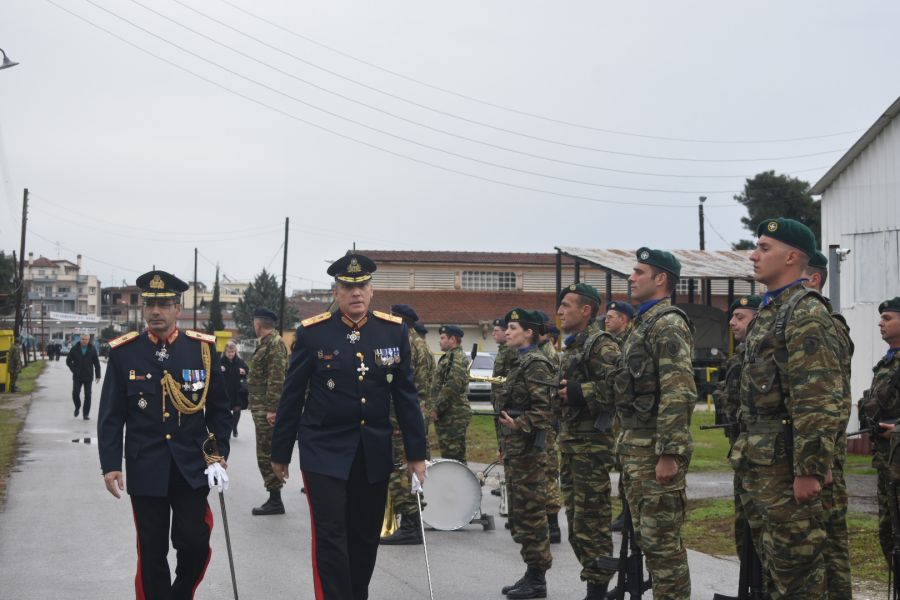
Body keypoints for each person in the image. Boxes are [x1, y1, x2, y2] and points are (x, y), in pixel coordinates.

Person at [271, 253, 427, 600]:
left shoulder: (393, 331)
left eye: (362, 286)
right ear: (336, 293)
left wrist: (417, 455)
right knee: (331, 535)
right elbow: (292, 396)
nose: (356, 293)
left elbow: (405, 396)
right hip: (323, 449)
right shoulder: (313, 334)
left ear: (371, 291)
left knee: (365, 536)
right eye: (347, 287)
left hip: (372, 451)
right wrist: (280, 453)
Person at [98, 270, 231, 600]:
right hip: (146, 466)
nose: (156, 311)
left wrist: (219, 452)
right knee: (152, 551)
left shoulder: (200, 350)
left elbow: (218, 409)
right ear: (143, 309)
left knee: (195, 541)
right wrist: (110, 464)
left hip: (190, 466)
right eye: (150, 305)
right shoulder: (125, 353)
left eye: (164, 304)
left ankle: (180, 593)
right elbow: (111, 415)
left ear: (177, 307)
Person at [731, 218, 843, 597]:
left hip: (785, 471)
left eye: (764, 248)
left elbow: (817, 400)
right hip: (761, 467)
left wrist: (809, 470)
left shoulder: (805, 313)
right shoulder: (770, 313)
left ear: (792, 257)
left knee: (798, 580)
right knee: (772, 574)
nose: (754, 254)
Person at [612, 247, 694, 600]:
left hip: (654, 451)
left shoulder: (668, 324)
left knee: (662, 547)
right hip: (636, 447)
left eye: (639, 272)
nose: (631, 278)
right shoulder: (643, 324)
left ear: (661, 279)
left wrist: (669, 453)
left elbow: (679, 390)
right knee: (648, 540)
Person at [556, 283, 621, 599]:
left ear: (586, 310)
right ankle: (595, 583)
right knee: (576, 522)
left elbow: (620, 388)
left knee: (591, 521)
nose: (560, 311)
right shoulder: (573, 346)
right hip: (571, 445)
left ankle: (598, 589)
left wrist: (581, 393)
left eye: (567, 305)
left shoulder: (602, 345)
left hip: (592, 447)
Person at [802, 250, 854, 598]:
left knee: (830, 542)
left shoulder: (827, 324)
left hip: (823, 453)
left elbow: (834, 396)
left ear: (814, 279)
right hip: (812, 449)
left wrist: (827, 456)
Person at [498, 308, 555, 599]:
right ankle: (531, 573)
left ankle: (538, 579)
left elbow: (545, 410)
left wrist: (518, 424)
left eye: (512, 327)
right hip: (517, 451)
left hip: (530, 453)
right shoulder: (519, 362)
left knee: (532, 516)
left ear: (529, 332)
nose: (507, 332)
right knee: (521, 517)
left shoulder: (536, 364)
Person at [714, 296, 762, 568]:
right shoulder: (739, 357)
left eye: (740, 317)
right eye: (732, 316)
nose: (732, 322)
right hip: (740, 453)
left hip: (761, 457)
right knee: (743, 529)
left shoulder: (762, 356)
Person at [380, 303, 433, 546]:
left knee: (401, 472)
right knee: (411, 471)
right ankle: (414, 521)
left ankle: (411, 526)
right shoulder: (422, 345)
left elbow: (391, 384)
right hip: (415, 416)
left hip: (399, 417)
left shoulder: (401, 344)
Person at [860, 296, 900, 568]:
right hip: (887, 465)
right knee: (889, 536)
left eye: (888, 318)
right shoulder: (887, 362)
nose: (880, 323)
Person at [248, 306, 289, 516]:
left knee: (266, 453)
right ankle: (274, 497)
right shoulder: (267, 343)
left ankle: (275, 499)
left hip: (267, 408)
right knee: (264, 452)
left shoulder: (274, 343)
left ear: (258, 324)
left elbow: (277, 378)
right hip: (260, 406)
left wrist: (273, 409)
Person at [604, 299, 634, 533]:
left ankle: (630, 513)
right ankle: (626, 512)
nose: (607, 319)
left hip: (630, 414)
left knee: (628, 464)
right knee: (621, 462)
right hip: (617, 413)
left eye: (611, 316)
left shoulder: (630, 342)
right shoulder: (613, 342)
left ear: (623, 319)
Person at [430, 324, 471, 463]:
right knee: (450, 457)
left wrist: (437, 408)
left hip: (454, 416)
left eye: (442, 338)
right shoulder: (450, 356)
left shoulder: (457, 358)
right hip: (449, 415)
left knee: (455, 459)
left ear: (452, 339)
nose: (439, 341)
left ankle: (459, 484)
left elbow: (451, 386)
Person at [66, 333, 101, 420]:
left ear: (89, 340)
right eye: (83, 339)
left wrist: (98, 375)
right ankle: (77, 406)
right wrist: (74, 370)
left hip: (88, 376)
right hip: (77, 376)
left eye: (86, 339)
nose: (84, 341)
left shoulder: (92, 349)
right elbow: (68, 361)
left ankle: (86, 414)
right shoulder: (74, 349)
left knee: (88, 395)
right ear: (80, 339)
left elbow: (96, 363)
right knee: (75, 393)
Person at [220, 340, 249, 438]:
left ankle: (234, 426)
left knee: (237, 410)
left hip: (237, 390)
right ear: (225, 352)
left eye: (232, 352)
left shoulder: (239, 361)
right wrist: (220, 369)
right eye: (229, 352)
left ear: (235, 352)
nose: (231, 354)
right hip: (225, 391)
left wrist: (243, 371)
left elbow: (247, 369)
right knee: (226, 412)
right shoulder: (221, 362)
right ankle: (227, 429)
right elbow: (214, 371)